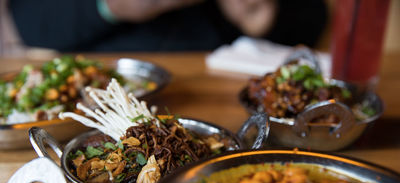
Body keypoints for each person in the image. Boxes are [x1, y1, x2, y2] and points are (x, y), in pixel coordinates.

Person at [8, 0, 328, 53]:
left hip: (224, 85)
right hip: (99, 86)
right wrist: (111, 6)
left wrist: (258, 15)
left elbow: (313, 22)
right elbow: (30, 21)